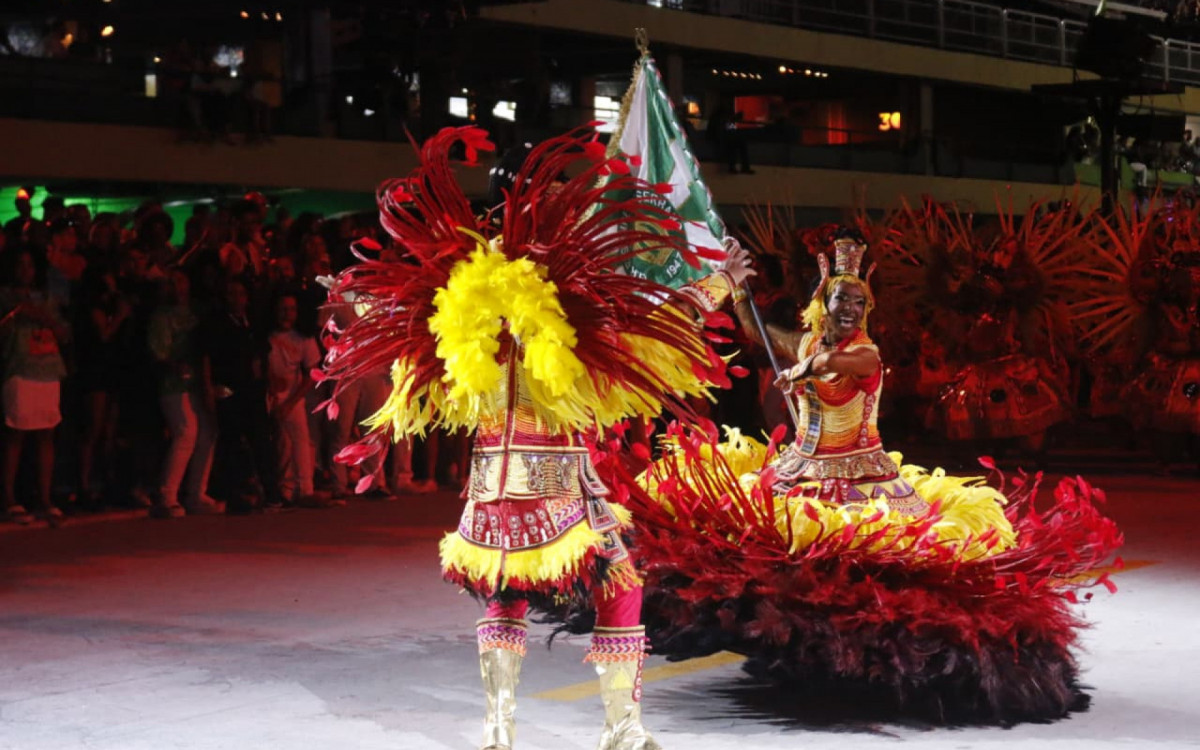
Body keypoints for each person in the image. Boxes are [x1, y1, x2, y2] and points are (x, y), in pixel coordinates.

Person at [319, 127, 753, 750]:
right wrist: (718, 285)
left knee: (506, 598)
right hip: (556, 479)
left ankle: (499, 730)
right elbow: (645, 331)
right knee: (619, 584)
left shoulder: (465, 279)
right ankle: (622, 730)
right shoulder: (561, 275)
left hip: (493, 481)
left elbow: (413, 332)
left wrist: (360, 307)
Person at [618, 227, 1121, 724]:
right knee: (782, 566)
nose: (850, 310)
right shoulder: (811, 339)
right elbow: (764, 337)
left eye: (859, 303)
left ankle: (869, 668)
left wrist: (807, 365)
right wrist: (741, 297)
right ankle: (799, 655)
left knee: (863, 578)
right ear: (823, 302)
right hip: (802, 468)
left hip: (863, 477)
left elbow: (845, 359)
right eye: (841, 299)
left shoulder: (865, 353)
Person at [0, 249, 69, 525]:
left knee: (46, 435)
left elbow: (64, 332)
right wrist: (18, 313)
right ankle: (9, 499)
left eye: (30, 265)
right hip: (19, 369)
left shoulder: (48, 299)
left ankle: (45, 499)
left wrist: (44, 318)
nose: (25, 270)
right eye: (20, 265)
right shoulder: (4, 296)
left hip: (48, 370)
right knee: (15, 435)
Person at [148, 269, 222, 517]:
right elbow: (157, 352)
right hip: (173, 385)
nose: (177, 287)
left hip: (199, 383)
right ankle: (167, 495)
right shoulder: (161, 316)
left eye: (181, 280)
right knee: (185, 431)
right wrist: (174, 365)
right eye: (172, 282)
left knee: (207, 432)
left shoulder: (197, 311)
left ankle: (196, 493)